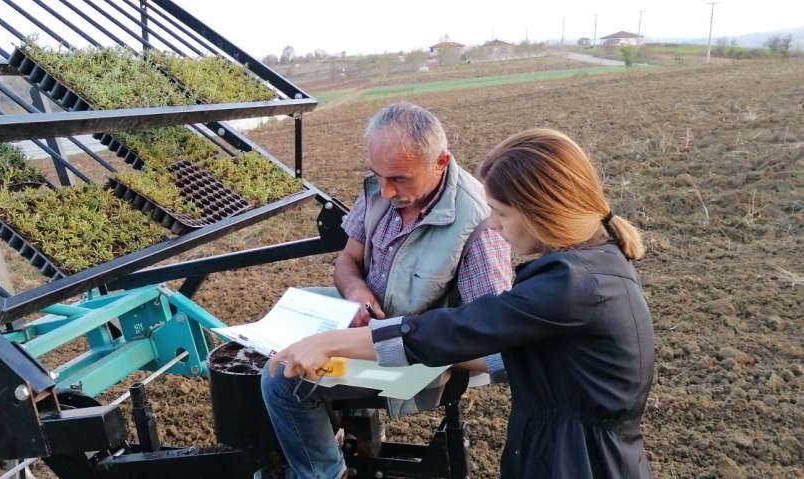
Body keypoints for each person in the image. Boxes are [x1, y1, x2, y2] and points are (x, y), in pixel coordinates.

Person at [269, 128, 655, 478]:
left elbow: (463, 327)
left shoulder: (572, 284)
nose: (491, 225)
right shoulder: (594, 264)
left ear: (542, 210)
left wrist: (330, 342)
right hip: (566, 449)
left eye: (501, 213)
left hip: (577, 462)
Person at [261, 102, 513, 479]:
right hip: (366, 327)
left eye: (399, 179)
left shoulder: (477, 225)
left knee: (281, 380)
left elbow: (492, 343)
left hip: (418, 354)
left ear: (441, 162)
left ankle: (325, 474)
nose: (385, 189)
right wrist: (356, 292)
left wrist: (390, 339)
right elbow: (347, 260)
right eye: (377, 175)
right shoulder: (381, 192)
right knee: (273, 343)